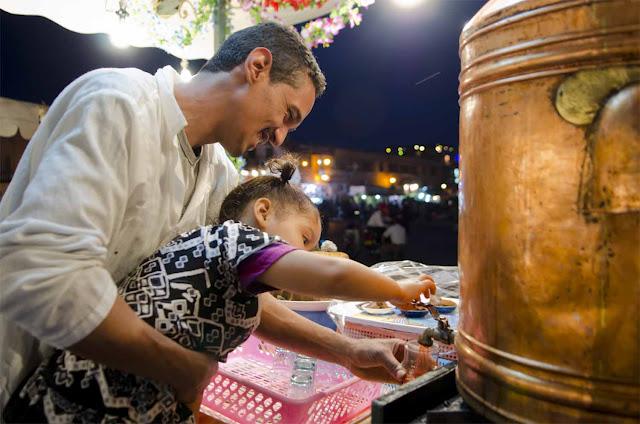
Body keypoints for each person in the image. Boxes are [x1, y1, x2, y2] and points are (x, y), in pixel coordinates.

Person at [0, 22, 422, 410]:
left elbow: (244, 291)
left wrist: (345, 351)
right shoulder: (118, 103)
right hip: (23, 381)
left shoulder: (218, 171)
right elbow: (44, 273)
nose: (279, 137)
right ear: (257, 66)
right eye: (287, 115)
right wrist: (177, 366)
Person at [3, 156, 436, 423]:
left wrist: (349, 351)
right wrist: (399, 289)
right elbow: (334, 276)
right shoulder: (234, 242)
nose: (310, 252)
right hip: (71, 406)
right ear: (263, 213)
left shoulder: (231, 274)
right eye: (304, 238)